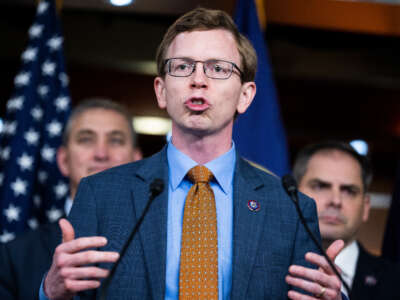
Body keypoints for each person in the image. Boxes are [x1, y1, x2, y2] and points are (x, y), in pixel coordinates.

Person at [41, 8, 344, 300]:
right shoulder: (101, 195)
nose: (198, 79)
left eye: (218, 68)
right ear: (161, 90)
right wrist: (52, 292)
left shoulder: (290, 210)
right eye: (183, 66)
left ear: (245, 96)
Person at [0, 99, 142, 300]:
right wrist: (48, 294)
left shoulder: (165, 240)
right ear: (63, 160)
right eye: (86, 139)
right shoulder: (14, 255)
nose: (101, 154)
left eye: (116, 140)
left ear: (137, 160)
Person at [293, 141, 400, 300]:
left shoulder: (395, 282)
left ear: (365, 207)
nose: (335, 200)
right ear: (292, 197)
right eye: (320, 186)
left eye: (349, 191)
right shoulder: (262, 270)